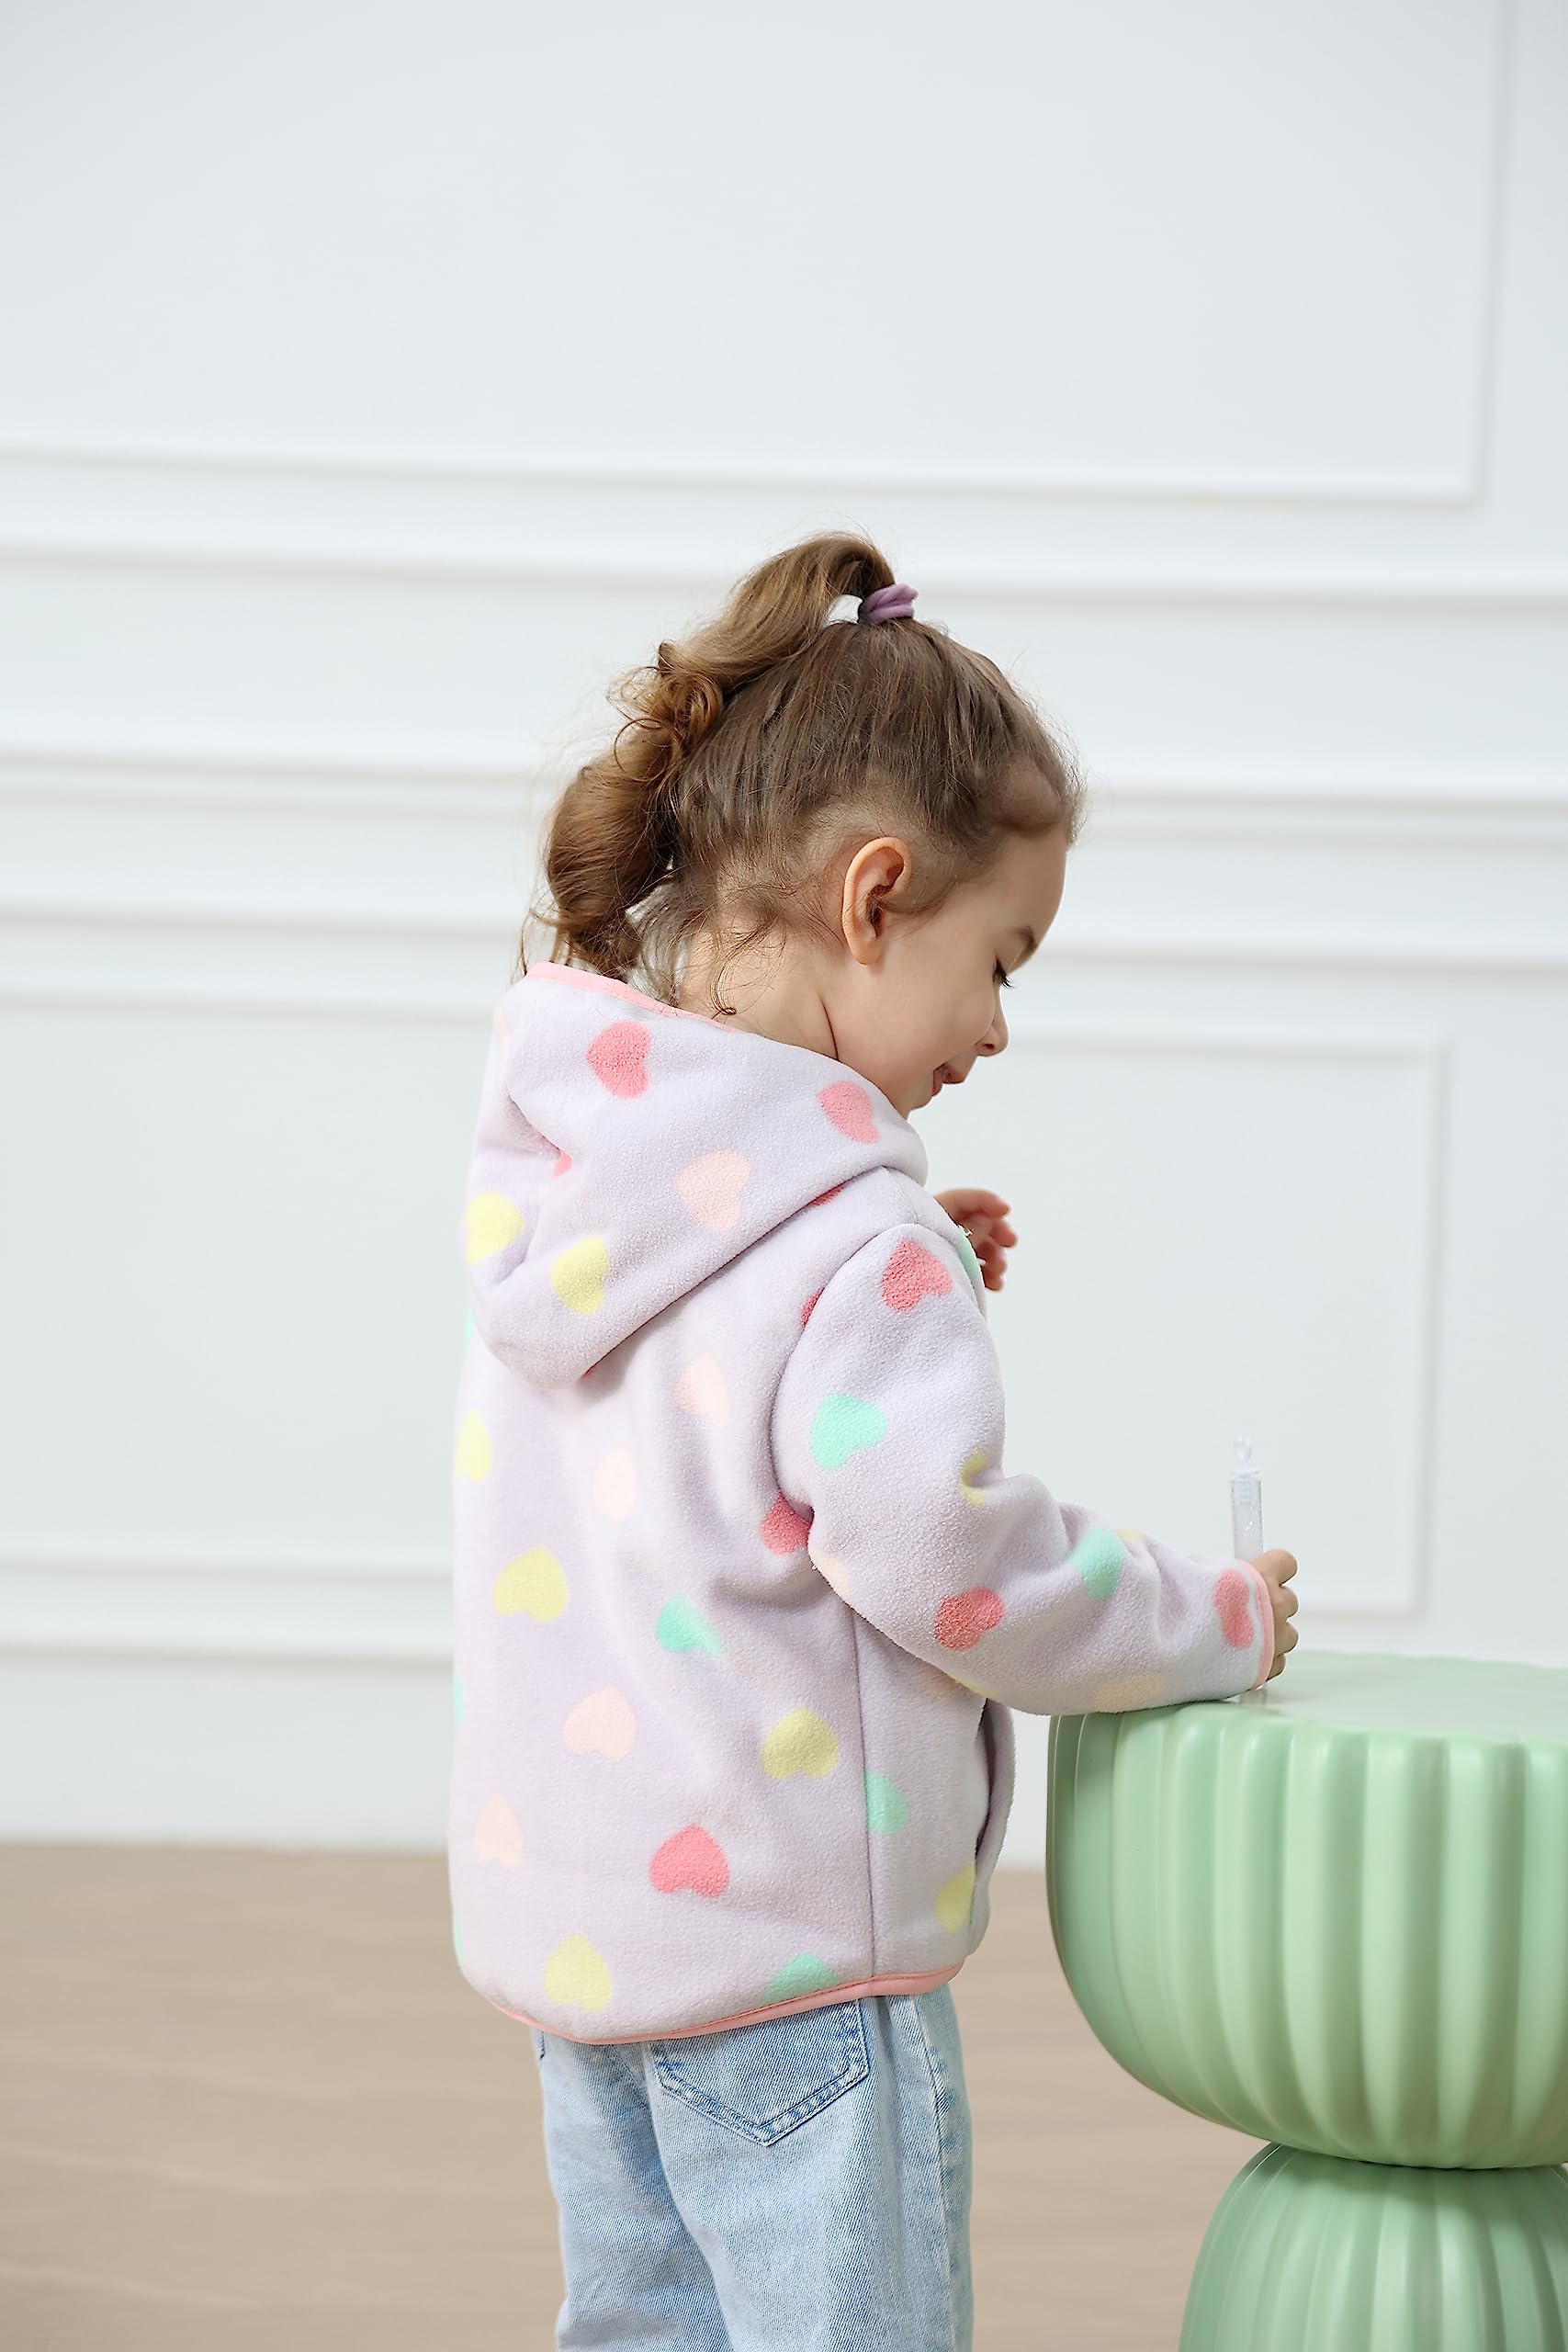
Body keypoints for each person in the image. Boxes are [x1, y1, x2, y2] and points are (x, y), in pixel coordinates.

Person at [450, 532, 1301, 2350]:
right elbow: (948, 1566)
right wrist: (1207, 1616)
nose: (993, 1024)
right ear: (876, 894)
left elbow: (708, 1404)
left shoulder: (590, 1191)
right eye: (1000, 960)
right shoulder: (852, 1252)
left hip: (590, 1952)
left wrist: (901, 1243)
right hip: (794, 1975)